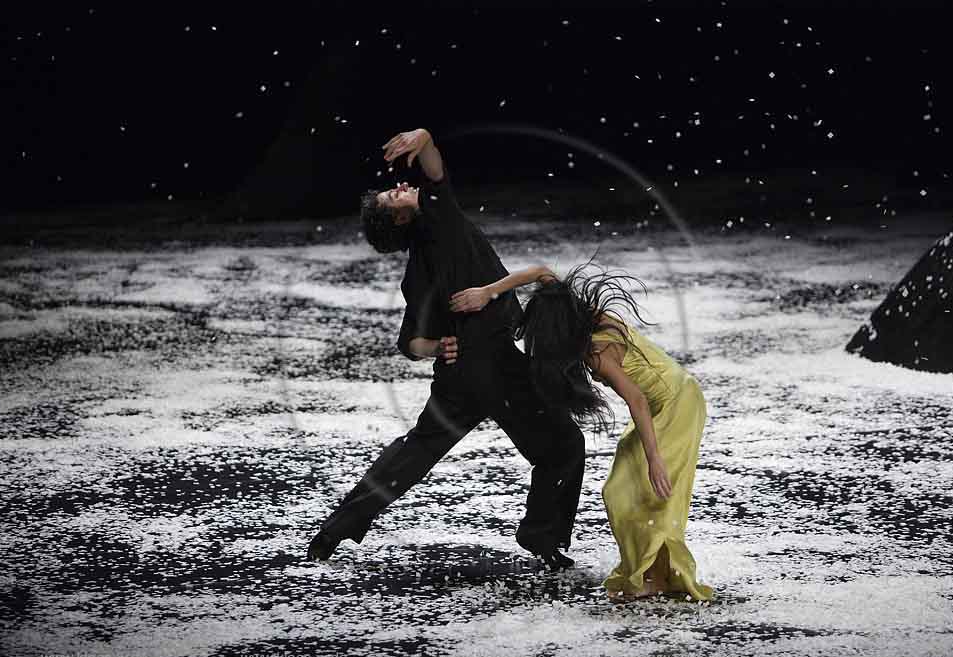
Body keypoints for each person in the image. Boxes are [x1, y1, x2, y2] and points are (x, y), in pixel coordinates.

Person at [306, 128, 586, 571]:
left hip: (460, 377)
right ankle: (542, 538)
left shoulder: (417, 267)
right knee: (564, 445)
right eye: (391, 198)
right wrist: (425, 139)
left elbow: (411, 342)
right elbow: (435, 174)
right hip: (494, 365)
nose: (399, 188)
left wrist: (439, 346)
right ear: (401, 220)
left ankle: (333, 532)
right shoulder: (440, 221)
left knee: (413, 453)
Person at [450, 262, 715, 602]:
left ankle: (657, 578)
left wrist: (654, 460)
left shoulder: (598, 352)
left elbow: (636, 399)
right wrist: (489, 291)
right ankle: (649, 572)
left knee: (644, 490)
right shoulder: (580, 312)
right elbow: (540, 272)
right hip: (666, 400)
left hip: (678, 405)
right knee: (620, 489)